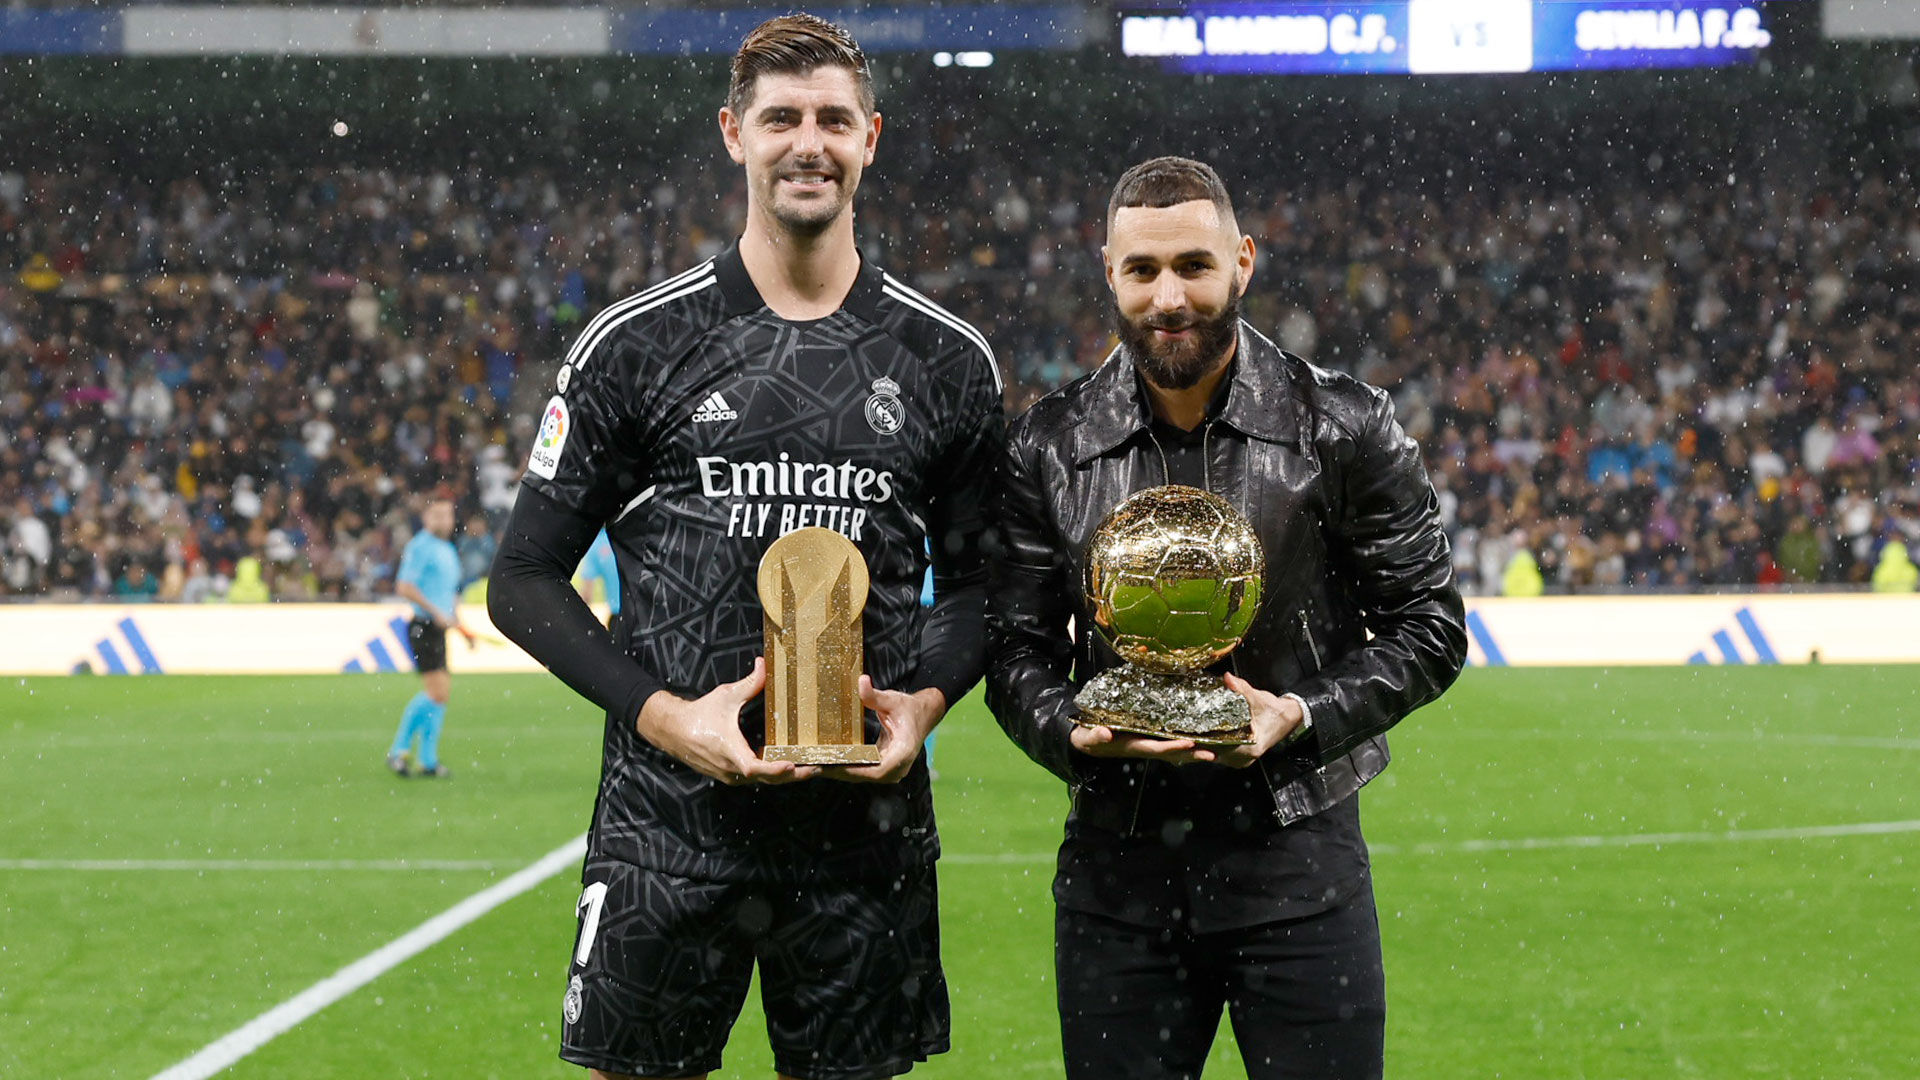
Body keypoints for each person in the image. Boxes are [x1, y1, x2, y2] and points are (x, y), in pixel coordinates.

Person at [487, 15, 1002, 1080]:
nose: (807, 141)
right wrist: (665, 718)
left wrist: (929, 703)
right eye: (781, 118)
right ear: (734, 134)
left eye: (832, 119)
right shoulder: (634, 345)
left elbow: (988, 583)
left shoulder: (948, 362)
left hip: (863, 838)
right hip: (667, 832)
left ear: (872, 139)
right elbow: (523, 581)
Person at [986, 156, 1467, 1080]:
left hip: (1299, 868)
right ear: (1109, 274)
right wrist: (1074, 734)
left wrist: (1301, 717)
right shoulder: (1048, 445)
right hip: (1117, 880)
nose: (1169, 296)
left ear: (1243, 261)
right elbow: (1015, 650)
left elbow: (1430, 628)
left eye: (1194, 266)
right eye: (1143, 270)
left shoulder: (1342, 427)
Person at [387, 498, 472, 779]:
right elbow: (404, 586)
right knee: (436, 692)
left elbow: (448, 594)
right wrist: (436, 612)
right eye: (437, 515)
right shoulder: (420, 546)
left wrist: (460, 627)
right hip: (423, 626)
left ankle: (428, 760)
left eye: (447, 514)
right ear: (426, 517)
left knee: (441, 695)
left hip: (438, 627)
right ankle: (398, 750)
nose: (443, 520)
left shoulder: (448, 549)